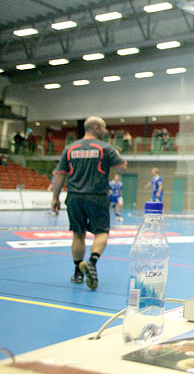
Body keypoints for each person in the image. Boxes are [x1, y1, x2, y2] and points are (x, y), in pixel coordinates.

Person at [51, 116, 127, 290]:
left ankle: (78, 273)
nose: (106, 132)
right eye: (104, 128)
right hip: (97, 196)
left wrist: (55, 197)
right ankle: (92, 262)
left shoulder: (70, 149)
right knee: (102, 232)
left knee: (78, 234)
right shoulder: (106, 148)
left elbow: (60, 174)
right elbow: (122, 167)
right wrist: (118, 153)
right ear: (96, 129)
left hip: (75, 197)